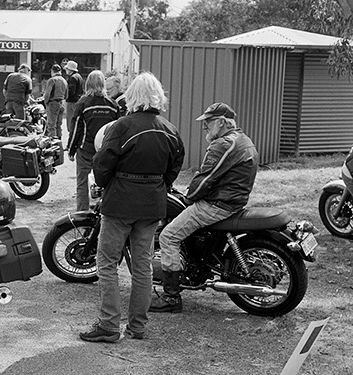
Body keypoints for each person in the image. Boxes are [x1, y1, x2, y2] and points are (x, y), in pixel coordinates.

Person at [79, 71, 185, 343]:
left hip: (120, 202)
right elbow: (174, 167)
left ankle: (109, 325)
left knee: (106, 264)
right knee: (142, 267)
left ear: (132, 97)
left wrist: (107, 184)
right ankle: (137, 327)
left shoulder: (121, 126)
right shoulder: (170, 129)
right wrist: (157, 185)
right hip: (151, 204)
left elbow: (102, 165)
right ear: (158, 97)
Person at [150, 102, 259, 313]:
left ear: (221, 122)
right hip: (233, 201)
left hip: (217, 204)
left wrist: (188, 198)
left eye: (208, 123)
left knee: (168, 236)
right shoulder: (243, 140)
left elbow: (205, 178)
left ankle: (171, 297)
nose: (205, 127)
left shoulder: (223, 144)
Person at [67, 70, 120, 212]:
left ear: (87, 84)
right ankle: (105, 212)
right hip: (106, 151)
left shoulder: (83, 103)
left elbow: (76, 129)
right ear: (103, 84)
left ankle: (83, 214)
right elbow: (117, 129)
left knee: (82, 184)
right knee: (107, 182)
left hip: (86, 150)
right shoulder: (113, 105)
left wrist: (71, 150)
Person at [42, 64, 68, 139]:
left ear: (52, 71)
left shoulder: (52, 80)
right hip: (61, 103)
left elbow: (47, 94)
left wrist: (46, 103)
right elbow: (66, 96)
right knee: (58, 125)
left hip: (53, 103)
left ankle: (52, 144)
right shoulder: (64, 81)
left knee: (51, 126)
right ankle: (59, 143)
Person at [63, 60, 84, 133]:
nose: (66, 70)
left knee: (70, 122)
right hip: (78, 100)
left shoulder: (73, 78)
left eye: (67, 69)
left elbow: (71, 91)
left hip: (72, 102)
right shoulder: (79, 77)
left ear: (70, 69)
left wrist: (65, 96)